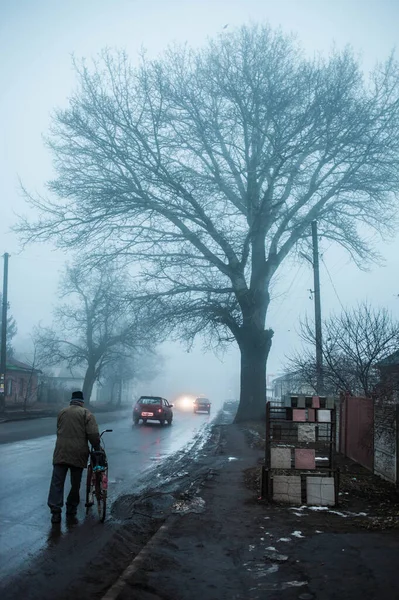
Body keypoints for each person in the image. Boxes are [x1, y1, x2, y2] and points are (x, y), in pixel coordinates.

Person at [48, 390, 100, 524]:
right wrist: (97, 447)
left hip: (60, 452)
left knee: (57, 483)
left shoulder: (62, 412)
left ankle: (55, 512)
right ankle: (71, 508)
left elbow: (59, 430)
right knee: (75, 484)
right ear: (82, 402)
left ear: (71, 401)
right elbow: (93, 434)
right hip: (78, 454)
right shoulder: (86, 414)